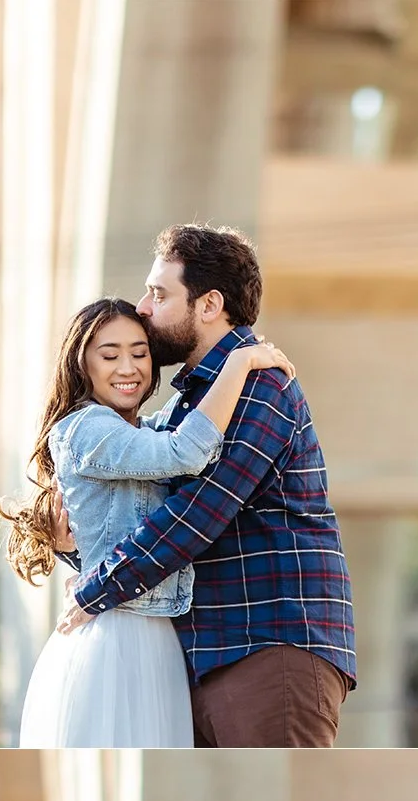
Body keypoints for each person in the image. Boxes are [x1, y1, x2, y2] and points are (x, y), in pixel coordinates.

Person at [56, 224, 357, 747]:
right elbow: (142, 517)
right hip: (203, 657)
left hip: (268, 647)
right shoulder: (187, 406)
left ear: (209, 304)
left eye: (160, 293)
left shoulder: (261, 385)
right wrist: (78, 552)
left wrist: (97, 589)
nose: (145, 309)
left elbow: (199, 513)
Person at [0, 298, 290, 748]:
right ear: (83, 364)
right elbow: (185, 453)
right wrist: (241, 360)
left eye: (139, 352)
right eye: (109, 354)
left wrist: (74, 555)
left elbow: (112, 529)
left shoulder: (139, 429)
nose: (127, 367)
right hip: (116, 634)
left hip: (155, 633)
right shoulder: (86, 427)